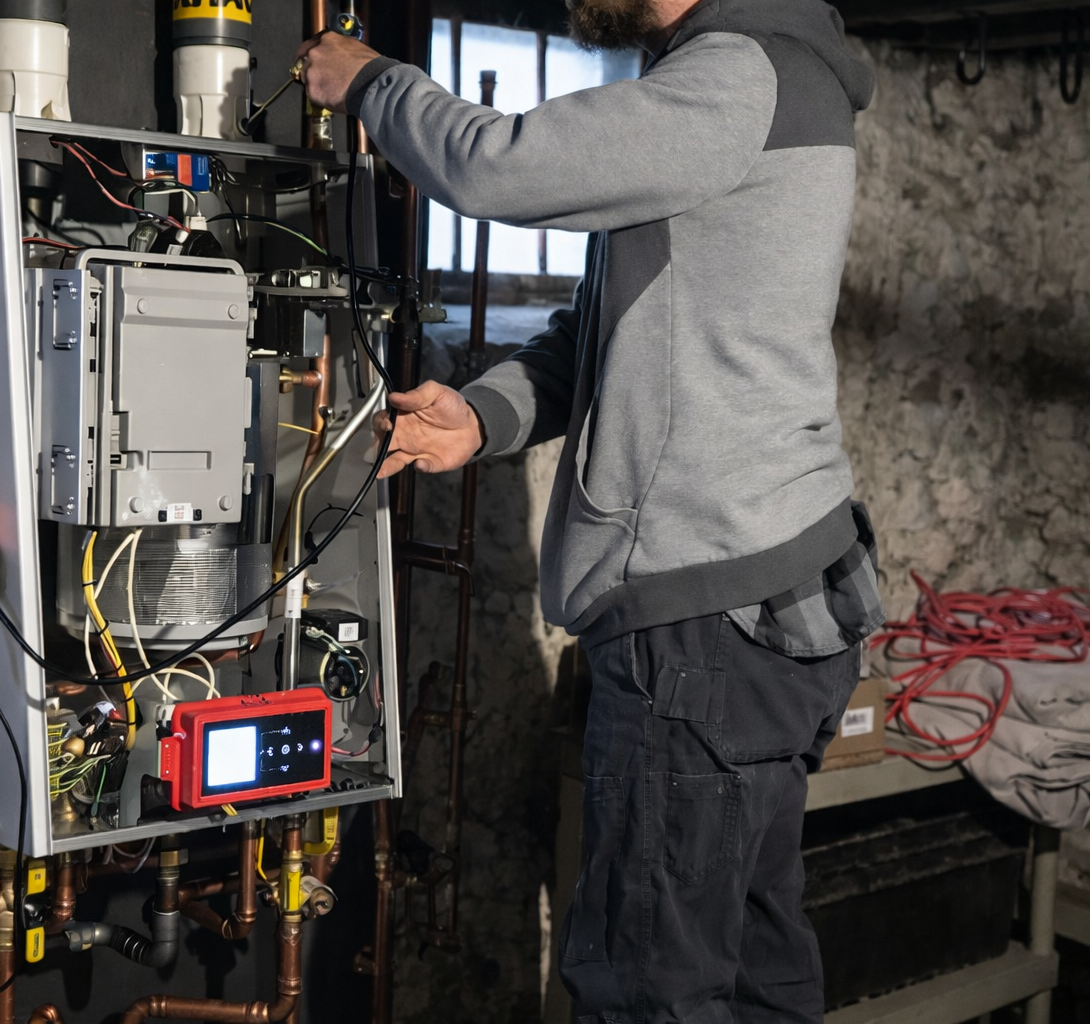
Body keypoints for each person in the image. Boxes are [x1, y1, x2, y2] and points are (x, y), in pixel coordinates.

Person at [300, 0, 885, 1020]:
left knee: (648, 989)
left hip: (704, 622)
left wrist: (371, 79)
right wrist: (483, 417)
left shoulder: (738, 76)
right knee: (750, 971)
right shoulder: (744, 79)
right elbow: (615, 331)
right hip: (766, 591)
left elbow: (495, 165)